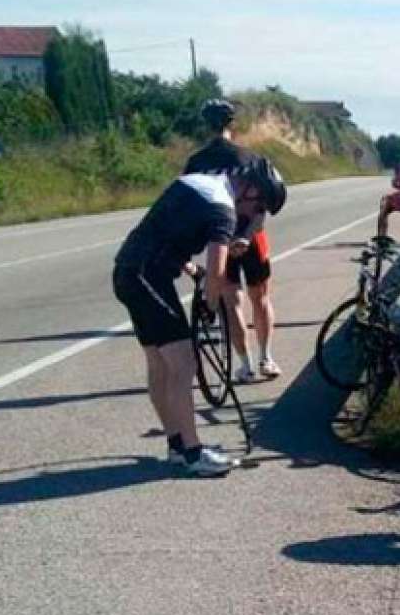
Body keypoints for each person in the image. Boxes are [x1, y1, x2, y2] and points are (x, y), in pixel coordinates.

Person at [112, 157, 287, 476]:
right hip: (147, 277)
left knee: (160, 363)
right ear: (248, 191)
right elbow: (218, 272)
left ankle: (177, 445)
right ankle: (193, 454)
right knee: (183, 363)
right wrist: (209, 302)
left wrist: (192, 269)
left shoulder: (199, 183)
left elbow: (165, 232)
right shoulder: (223, 209)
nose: (255, 216)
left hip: (131, 272)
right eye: (259, 206)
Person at [184, 99, 281, 382]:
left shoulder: (196, 163)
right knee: (260, 298)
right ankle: (267, 358)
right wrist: (247, 236)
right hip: (252, 235)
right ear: (232, 125)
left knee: (231, 302)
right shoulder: (251, 158)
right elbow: (264, 205)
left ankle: (246, 366)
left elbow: (189, 205)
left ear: (206, 125)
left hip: (219, 240)